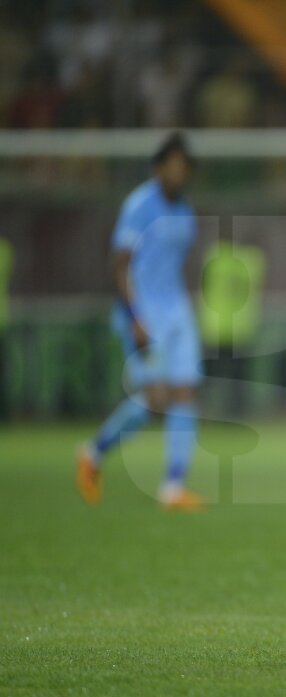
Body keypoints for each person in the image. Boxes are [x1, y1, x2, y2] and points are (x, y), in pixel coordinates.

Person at [76, 132, 204, 511]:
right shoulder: (139, 205)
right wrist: (134, 317)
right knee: (154, 401)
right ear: (159, 167)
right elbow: (120, 265)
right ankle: (93, 452)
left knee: (186, 394)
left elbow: (180, 263)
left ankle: (173, 487)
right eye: (173, 164)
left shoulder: (185, 210)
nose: (179, 172)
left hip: (177, 310)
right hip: (144, 311)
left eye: (185, 166)